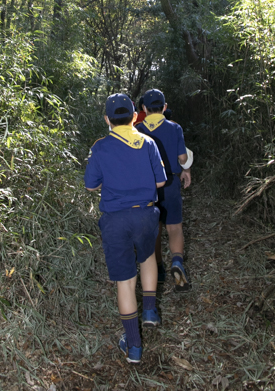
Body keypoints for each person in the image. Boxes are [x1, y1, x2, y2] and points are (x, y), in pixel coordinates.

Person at [84, 93, 167, 364]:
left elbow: (91, 185)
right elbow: (160, 183)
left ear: (107, 119)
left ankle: (133, 347)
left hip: (115, 219)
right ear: (134, 116)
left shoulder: (101, 147)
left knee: (125, 281)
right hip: (145, 214)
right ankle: (151, 311)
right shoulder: (148, 142)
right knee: (147, 258)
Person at [135, 89, 192, 292]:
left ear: (143, 109)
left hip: (148, 188)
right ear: (165, 107)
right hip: (171, 185)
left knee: (154, 229)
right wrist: (186, 170)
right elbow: (183, 158)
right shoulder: (175, 128)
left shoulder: (138, 129)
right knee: (174, 227)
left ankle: (157, 270)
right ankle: (177, 262)